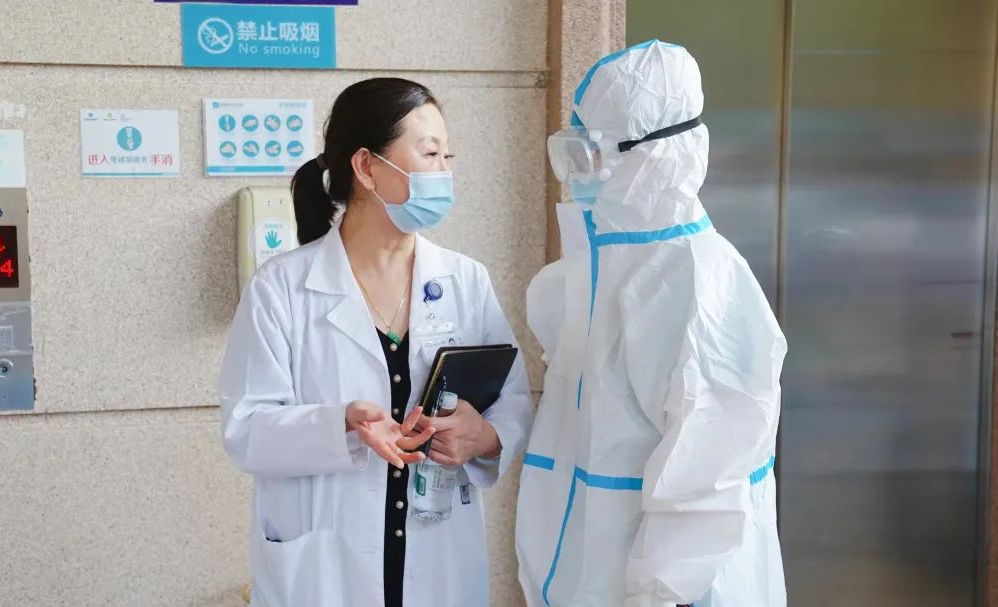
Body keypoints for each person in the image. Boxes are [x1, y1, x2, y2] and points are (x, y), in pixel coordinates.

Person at [218, 77, 533, 607]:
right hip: (324, 568)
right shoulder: (283, 288)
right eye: (429, 154)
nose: (444, 172)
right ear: (366, 167)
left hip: (440, 558)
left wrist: (483, 436)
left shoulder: (465, 280)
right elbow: (245, 429)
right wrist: (341, 423)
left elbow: (514, 401)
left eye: (447, 155)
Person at [515, 41, 787, 607]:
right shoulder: (597, 271)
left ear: (652, 154)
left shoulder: (701, 280)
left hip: (674, 593)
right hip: (591, 576)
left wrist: (659, 594)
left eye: (592, 151)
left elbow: (707, 472)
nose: (579, 173)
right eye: (573, 150)